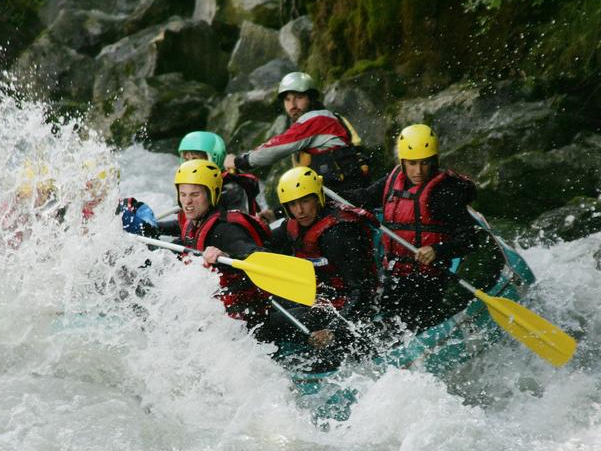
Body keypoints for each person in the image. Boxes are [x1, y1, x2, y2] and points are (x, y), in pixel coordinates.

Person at [342, 124, 482, 332]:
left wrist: (437, 250)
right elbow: (363, 197)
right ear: (403, 162)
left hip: (429, 281)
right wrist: (324, 194)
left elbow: (469, 239)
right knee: (380, 324)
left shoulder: (444, 192)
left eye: (425, 163)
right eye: (412, 163)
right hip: (395, 277)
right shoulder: (393, 180)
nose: (418, 171)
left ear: (434, 161)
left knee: (407, 326)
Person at [263, 166, 379, 356]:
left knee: (271, 322)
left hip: (343, 308)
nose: (300, 211)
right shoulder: (294, 225)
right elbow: (261, 243)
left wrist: (334, 330)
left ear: (318, 198)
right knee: (261, 307)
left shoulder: (338, 234)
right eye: (293, 205)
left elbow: (363, 291)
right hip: (319, 299)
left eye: (305, 201)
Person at [157, 159, 272, 324]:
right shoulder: (193, 225)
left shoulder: (226, 230)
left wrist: (226, 256)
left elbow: (262, 257)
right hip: (212, 311)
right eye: (183, 194)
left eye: (195, 194)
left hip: (245, 319)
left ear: (212, 194)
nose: (187, 201)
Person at [224, 71, 371, 198]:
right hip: (337, 196)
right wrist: (277, 213)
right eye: (287, 99)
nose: (292, 105)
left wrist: (240, 161)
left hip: (346, 197)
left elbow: (275, 148)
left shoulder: (318, 120)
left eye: (299, 97)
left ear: (311, 99)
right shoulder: (326, 119)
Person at [178, 130, 265, 217]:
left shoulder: (231, 190)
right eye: (186, 160)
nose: (189, 165)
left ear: (215, 158)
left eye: (195, 159)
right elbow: (190, 223)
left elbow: (235, 226)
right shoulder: (196, 188)